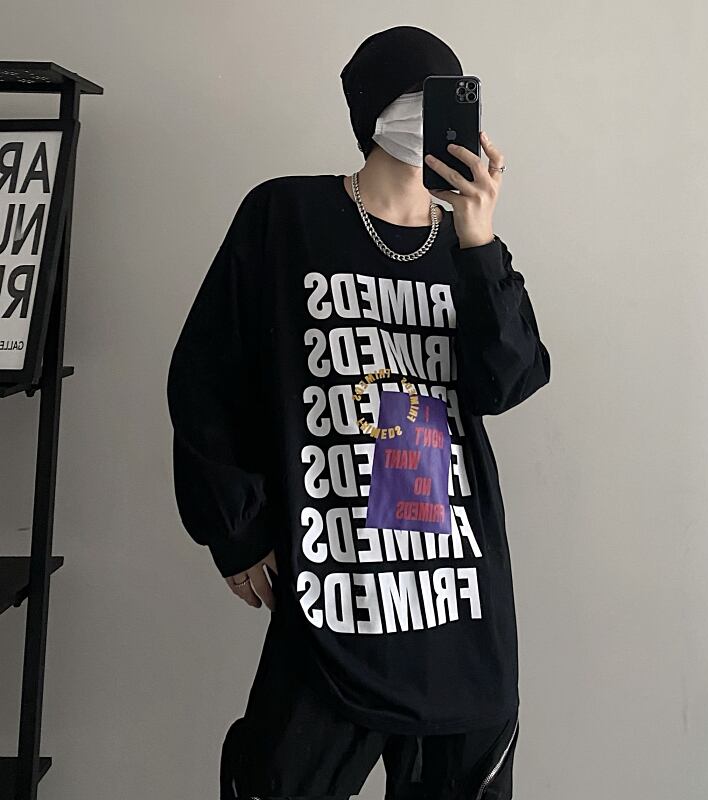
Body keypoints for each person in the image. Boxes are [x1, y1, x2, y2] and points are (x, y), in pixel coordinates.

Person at [167, 24, 551, 800]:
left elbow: (508, 382)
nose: (437, 115)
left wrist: (478, 237)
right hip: (331, 584)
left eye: (454, 99)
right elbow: (206, 375)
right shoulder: (286, 217)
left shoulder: (470, 246)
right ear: (373, 108)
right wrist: (235, 527)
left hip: (455, 596)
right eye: (419, 96)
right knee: (275, 778)